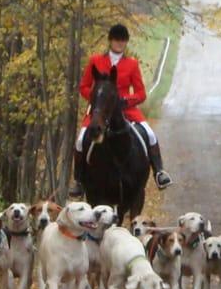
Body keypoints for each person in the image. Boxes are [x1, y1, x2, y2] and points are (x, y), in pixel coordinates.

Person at [69, 24, 173, 197]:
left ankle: (159, 172)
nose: (119, 43)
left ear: (126, 42)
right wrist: (97, 100)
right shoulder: (96, 61)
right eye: (116, 39)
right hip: (100, 111)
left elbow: (141, 93)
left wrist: (126, 100)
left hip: (126, 110)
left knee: (150, 134)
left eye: (123, 40)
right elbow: (84, 86)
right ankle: (79, 181)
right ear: (110, 40)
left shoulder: (131, 64)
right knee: (81, 139)